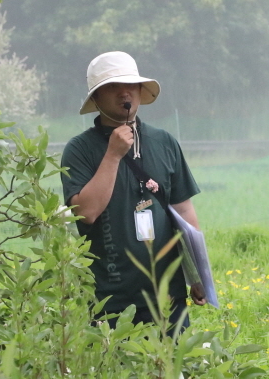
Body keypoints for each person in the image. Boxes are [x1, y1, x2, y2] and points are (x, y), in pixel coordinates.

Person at [60, 52, 202, 328]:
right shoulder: (80, 149)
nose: (124, 92)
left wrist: (196, 274)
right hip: (109, 299)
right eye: (112, 86)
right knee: (114, 370)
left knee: (170, 368)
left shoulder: (164, 142)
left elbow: (184, 210)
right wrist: (113, 155)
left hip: (167, 296)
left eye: (131, 84)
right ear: (97, 98)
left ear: (140, 90)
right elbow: (85, 213)